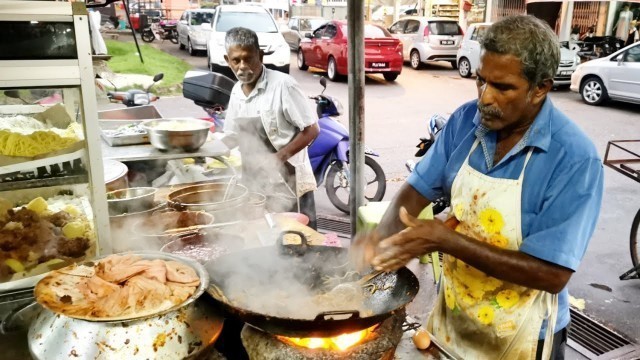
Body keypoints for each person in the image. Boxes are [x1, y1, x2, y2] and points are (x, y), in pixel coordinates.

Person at [353, 15, 603, 360]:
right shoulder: (464, 122)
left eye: (503, 87)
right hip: (455, 318)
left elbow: (552, 274)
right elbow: (415, 191)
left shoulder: (574, 158)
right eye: (480, 81)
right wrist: (379, 245)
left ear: (541, 87)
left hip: (522, 335)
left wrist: (446, 241)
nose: (485, 97)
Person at [221, 27, 320, 228]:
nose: (242, 66)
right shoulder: (236, 91)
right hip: (254, 180)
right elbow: (232, 135)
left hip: (288, 179)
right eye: (236, 60)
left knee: (297, 235)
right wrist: (208, 150)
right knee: (262, 233)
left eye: (248, 58)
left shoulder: (283, 86)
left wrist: (278, 157)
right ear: (227, 60)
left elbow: (312, 129)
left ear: (261, 55)